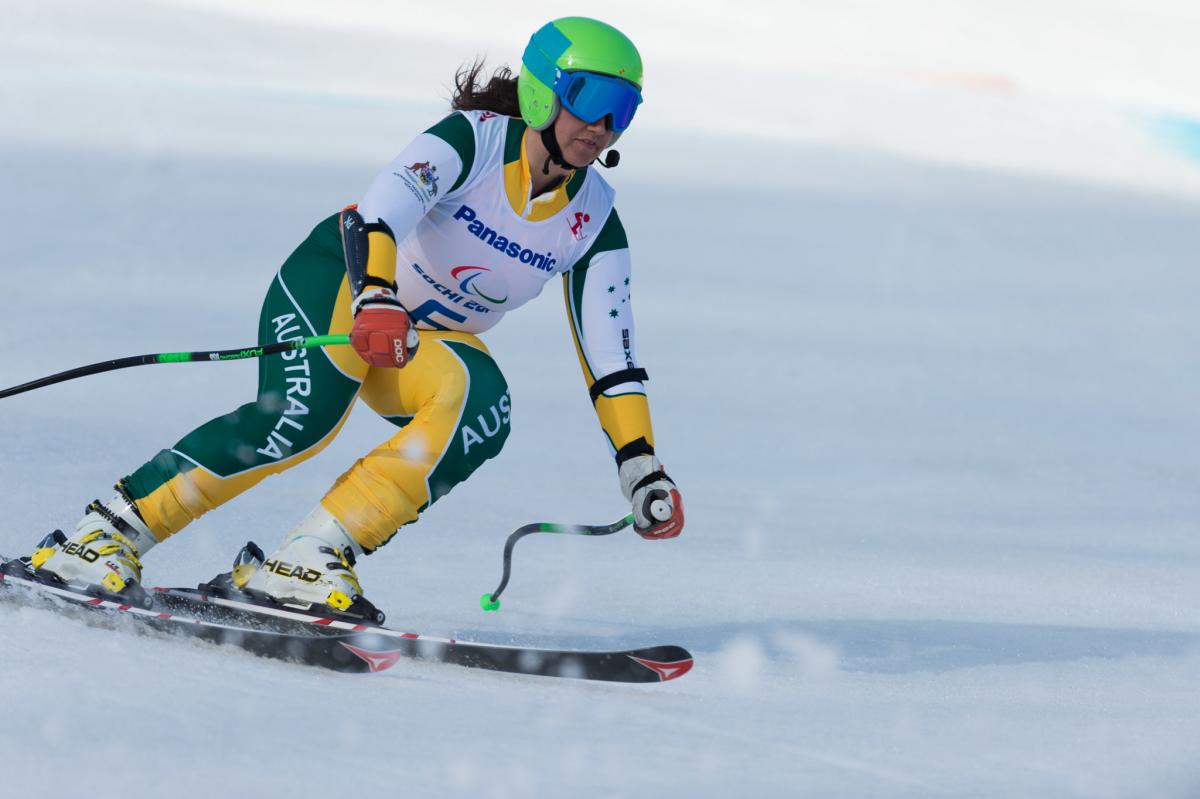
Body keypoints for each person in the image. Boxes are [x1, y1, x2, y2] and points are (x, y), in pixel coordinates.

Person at [26, 17, 684, 615]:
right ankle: (102, 534)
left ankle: (307, 556)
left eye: (621, 109)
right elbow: (383, 209)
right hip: (339, 284)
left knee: (483, 407)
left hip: (415, 339)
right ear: (545, 92)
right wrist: (376, 294)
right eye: (590, 98)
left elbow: (613, 358)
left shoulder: (593, 218)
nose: (601, 125)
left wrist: (640, 462)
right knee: (302, 418)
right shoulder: (474, 143)